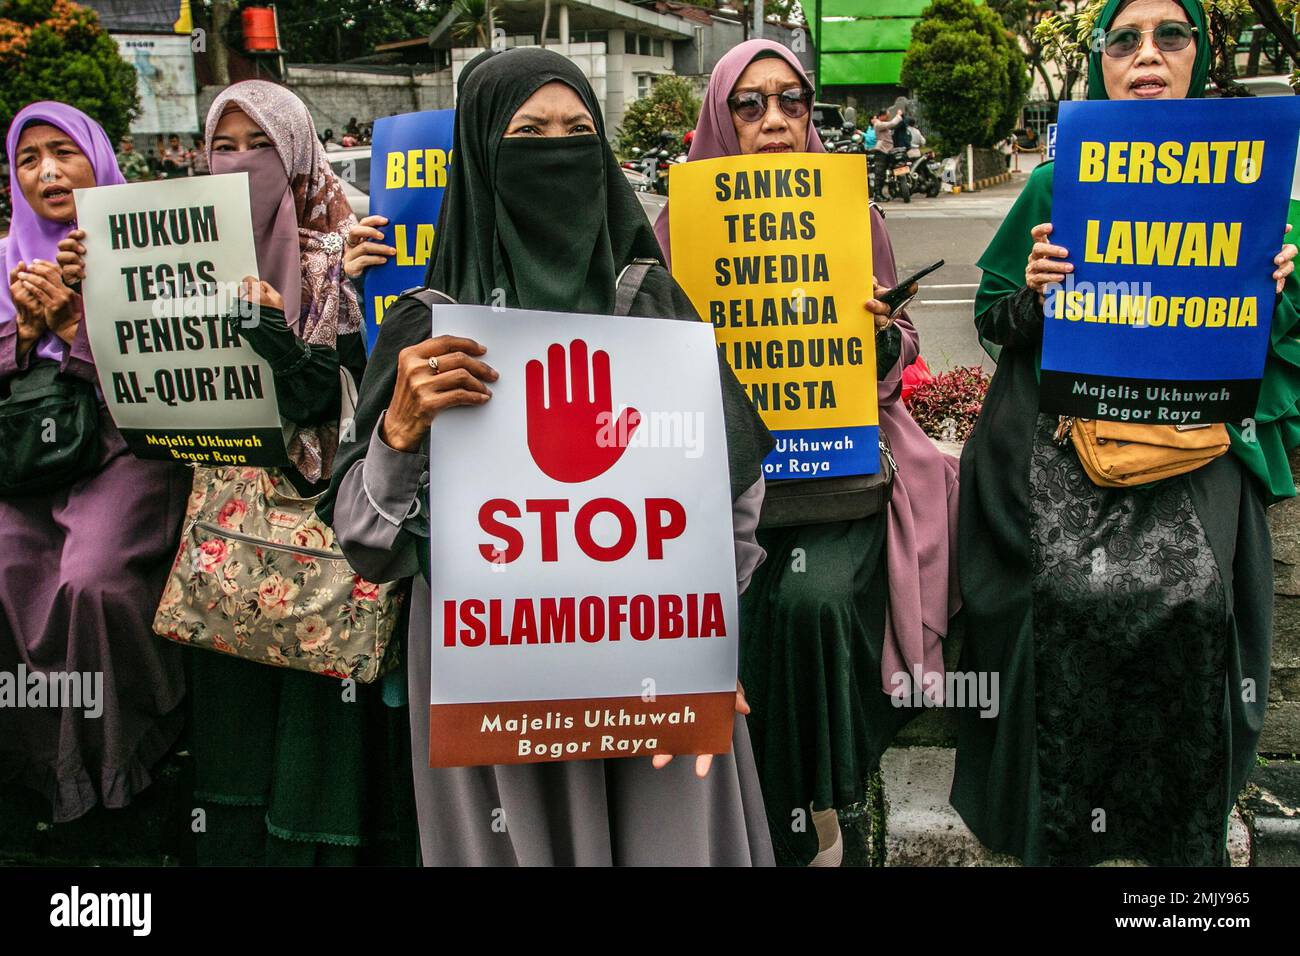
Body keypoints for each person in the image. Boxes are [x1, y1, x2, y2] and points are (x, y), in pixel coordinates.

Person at [319, 47, 777, 866]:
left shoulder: (652, 302)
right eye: (528, 134)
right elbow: (364, 542)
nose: (556, 150)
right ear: (481, 155)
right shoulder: (428, 330)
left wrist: (712, 649)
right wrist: (398, 433)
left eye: (579, 132)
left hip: (653, 675)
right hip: (492, 685)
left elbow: (733, 497)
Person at [952, 0, 1300, 866]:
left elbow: (1277, 341)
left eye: (1169, 35)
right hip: (1067, 445)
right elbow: (994, 316)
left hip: (1194, 452)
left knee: (1191, 603)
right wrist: (1035, 290)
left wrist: (1276, 285)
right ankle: (1064, 823)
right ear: (1103, 64)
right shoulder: (1053, 179)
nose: (1147, 53)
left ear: (1198, 56)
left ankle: (1172, 841)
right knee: (1064, 602)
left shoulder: (1254, 179)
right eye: (1124, 39)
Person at [61, 81, 414, 864]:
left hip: (316, 542)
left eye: (262, 144)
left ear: (296, 156)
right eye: (226, 144)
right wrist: (99, 289)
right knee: (234, 729)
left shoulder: (344, 255)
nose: (243, 161)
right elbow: (134, 395)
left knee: (315, 721)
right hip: (218, 534)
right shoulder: (172, 257)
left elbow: (342, 398)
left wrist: (277, 337)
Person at [652, 39, 960, 866]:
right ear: (720, 115)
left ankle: (829, 808)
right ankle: (753, 821)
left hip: (835, 484)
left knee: (814, 601)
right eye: (750, 104)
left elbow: (898, 358)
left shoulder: (854, 218)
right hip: (715, 490)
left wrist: (877, 336)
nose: (776, 120)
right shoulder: (674, 227)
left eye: (792, 101)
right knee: (729, 613)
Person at [0, 102, 190, 823]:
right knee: (8, 564)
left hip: (127, 446)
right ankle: (40, 760)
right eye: (28, 158)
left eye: (64, 152)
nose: (47, 171)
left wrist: (76, 326)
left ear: (98, 159)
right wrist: (21, 337)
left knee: (93, 582)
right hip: (29, 459)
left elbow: (172, 377)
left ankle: (122, 751)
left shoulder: (148, 249)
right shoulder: (5, 259)